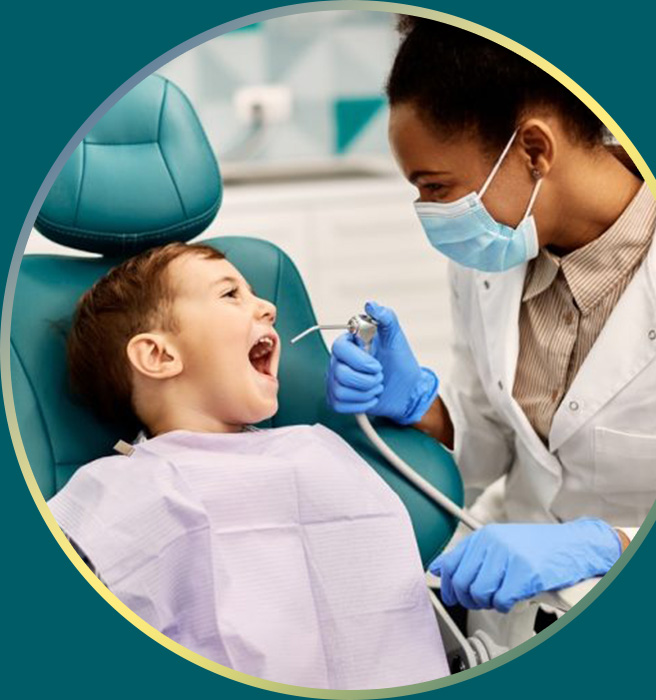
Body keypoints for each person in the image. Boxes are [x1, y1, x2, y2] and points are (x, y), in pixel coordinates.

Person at [326, 16, 656, 649]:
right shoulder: (494, 260)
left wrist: (612, 544)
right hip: (505, 616)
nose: (433, 216)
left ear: (534, 150)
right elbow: (486, 444)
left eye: (437, 188)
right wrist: (419, 408)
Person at [48, 242, 454, 689]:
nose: (269, 308)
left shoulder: (313, 446)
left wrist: (415, 402)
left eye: (254, 293)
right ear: (158, 356)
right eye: (230, 295)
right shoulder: (130, 482)